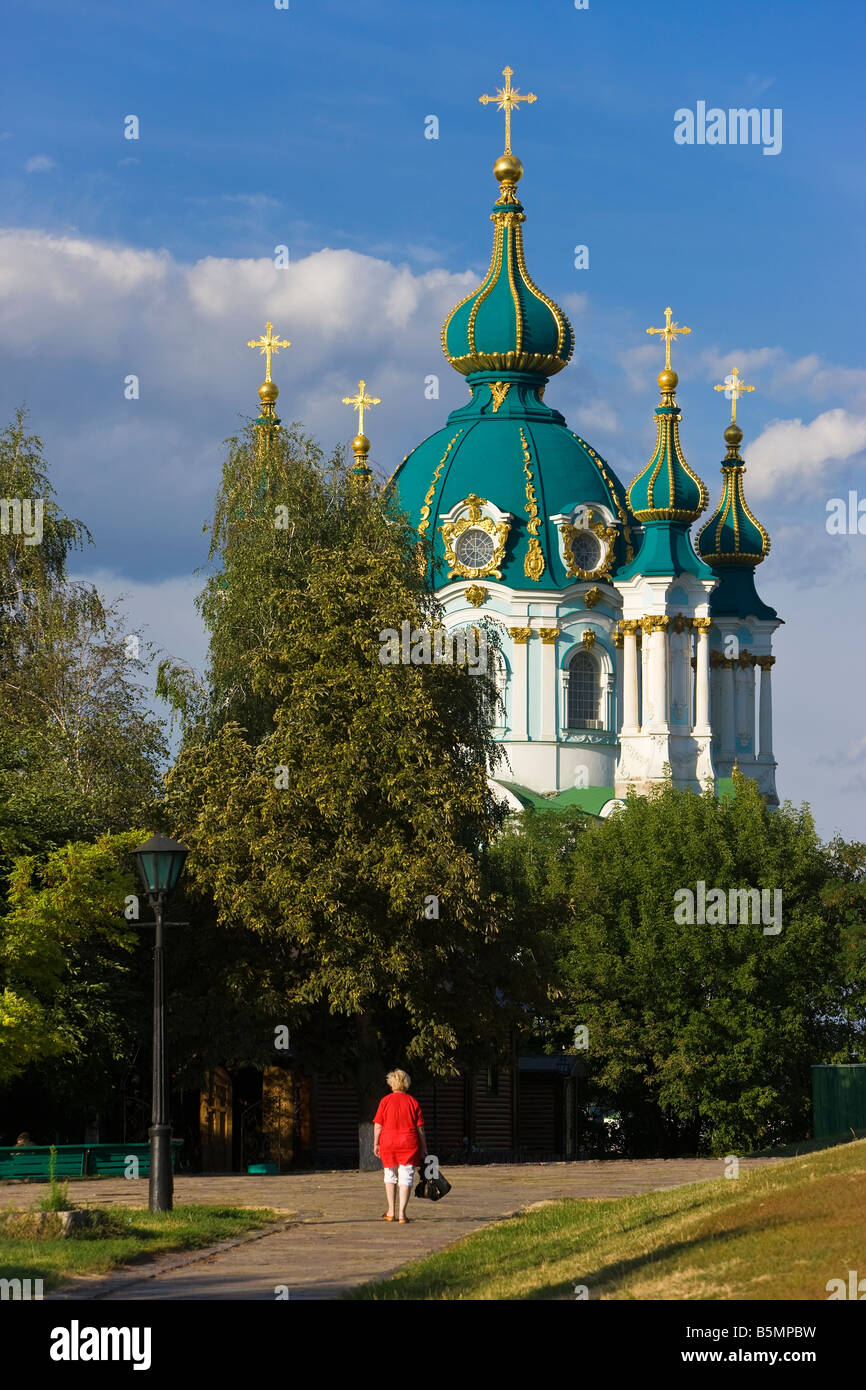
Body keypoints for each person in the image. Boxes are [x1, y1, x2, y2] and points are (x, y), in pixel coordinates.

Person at [372, 1069, 427, 1224]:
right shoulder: (412, 1102)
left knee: (389, 1175)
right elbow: (420, 1128)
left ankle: (390, 1211)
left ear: (391, 1082)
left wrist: (376, 1143)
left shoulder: (385, 1101)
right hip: (409, 1142)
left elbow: (378, 1125)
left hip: (388, 1142)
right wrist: (424, 1148)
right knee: (406, 1176)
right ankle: (402, 1214)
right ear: (406, 1082)